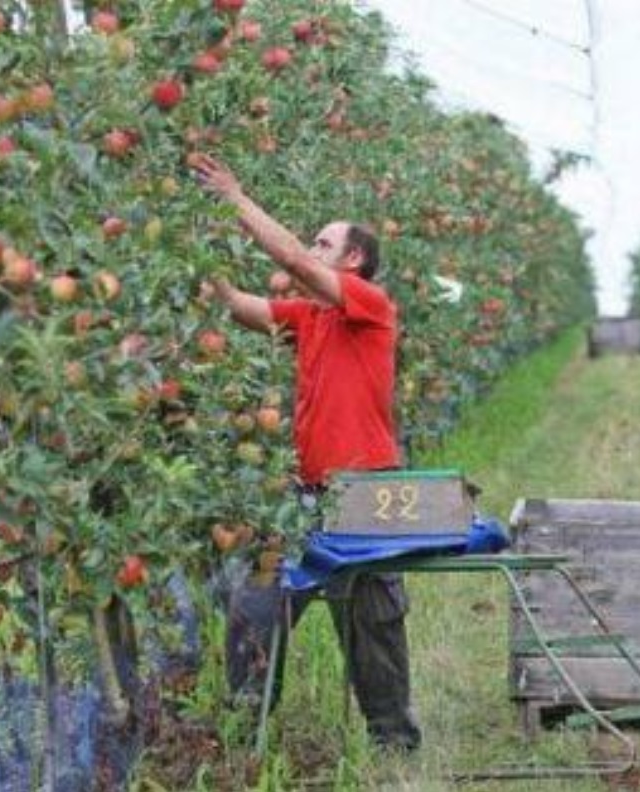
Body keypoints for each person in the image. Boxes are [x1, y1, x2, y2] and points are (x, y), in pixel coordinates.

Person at [191, 154, 421, 751]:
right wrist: (199, 259)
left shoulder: (369, 304)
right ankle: (246, 731)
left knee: (370, 621)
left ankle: (393, 740)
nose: (310, 249)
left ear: (353, 261)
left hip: (366, 493)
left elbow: (289, 258)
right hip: (305, 493)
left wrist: (234, 197)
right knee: (257, 603)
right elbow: (243, 308)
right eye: (314, 241)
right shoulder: (309, 318)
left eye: (325, 243)